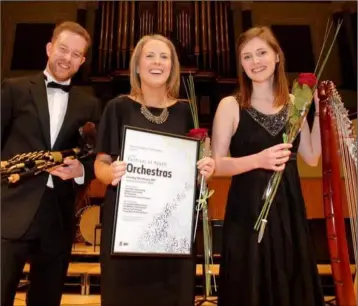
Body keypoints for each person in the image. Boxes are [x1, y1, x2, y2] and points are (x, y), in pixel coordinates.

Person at [94, 34, 215, 306]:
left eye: (165, 57)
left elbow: (200, 165)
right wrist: (110, 173)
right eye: (149, 56)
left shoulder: (188, 112)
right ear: (137, 65)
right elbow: (100, 163)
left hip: (174, 231)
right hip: (126, 230)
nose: (157, 62)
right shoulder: (117, 107)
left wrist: (207, 167)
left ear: (172, 67)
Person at [211, 26, 325, 306]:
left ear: (277, 56)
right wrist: (258, 160)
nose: (255, 62)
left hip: (289, 213)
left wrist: (320, 112)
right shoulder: (231, 105)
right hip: (246, 214)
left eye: (262, 52)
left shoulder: (294, 105)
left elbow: (311, 156)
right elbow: (215, 165)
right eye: (247, 56)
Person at [1, 21, 101, 306]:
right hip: (9, 211)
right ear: (49, 48)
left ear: (82, 61)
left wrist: (82, 170)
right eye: (62, 49)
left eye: (75, 54)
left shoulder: (90, 104)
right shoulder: (13, 89)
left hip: (57, 216)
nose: (67, 58)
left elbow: (96, 156)